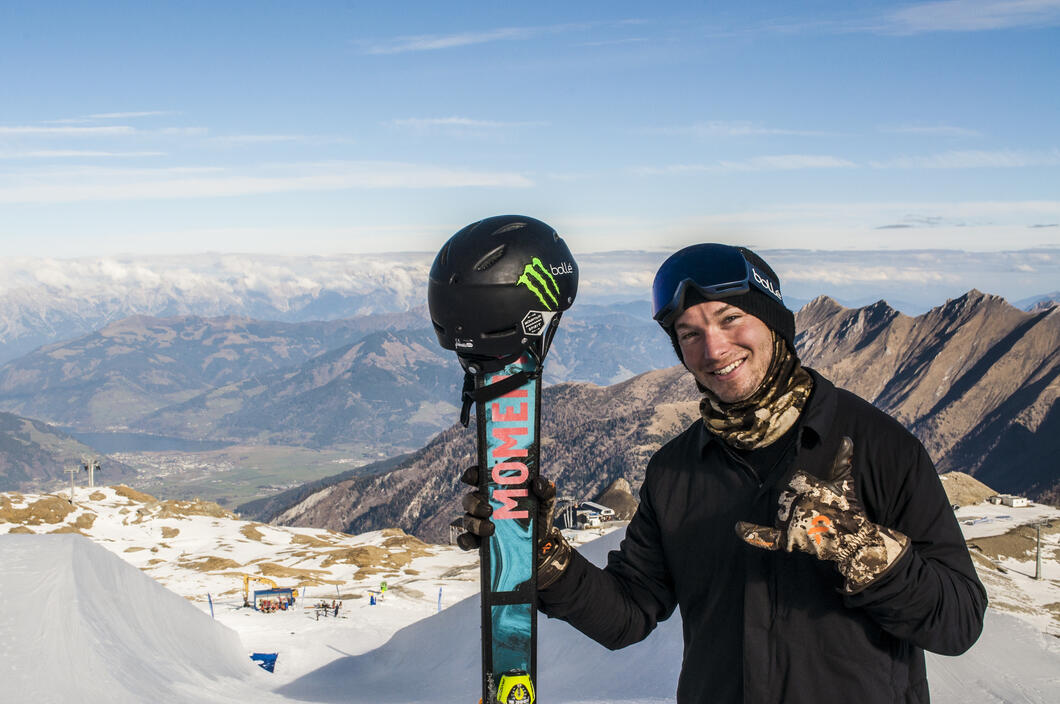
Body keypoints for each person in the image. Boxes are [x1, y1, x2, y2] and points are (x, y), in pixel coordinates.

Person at [460, 243, 987, 704]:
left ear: (774, 322)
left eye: (730, 319)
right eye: (689, 333)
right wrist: (542, 557)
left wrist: (867, 553)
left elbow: (959, 620)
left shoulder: (877, 448)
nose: (713, 349)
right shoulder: (676, 471)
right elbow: (628, 614)